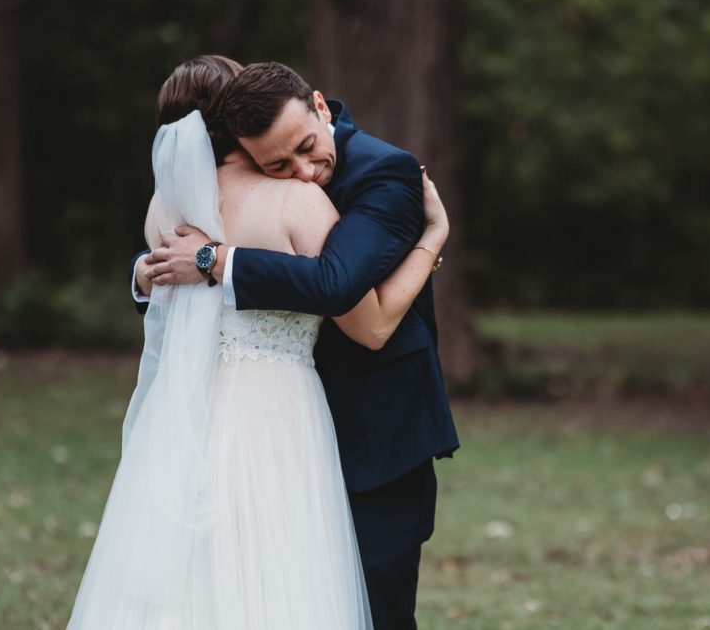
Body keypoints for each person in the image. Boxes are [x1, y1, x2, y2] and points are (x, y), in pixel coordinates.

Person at [69, 56, 450, 629]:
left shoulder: (381, 172)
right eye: (278, 160)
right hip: (279, 418)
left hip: (365, 426)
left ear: (319, 106)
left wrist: (207, 261)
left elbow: (337, 289)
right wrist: (153, 270)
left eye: (304, 148)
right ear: (240, 136)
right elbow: (360, 318)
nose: (302, 171)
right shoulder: (280, 199)